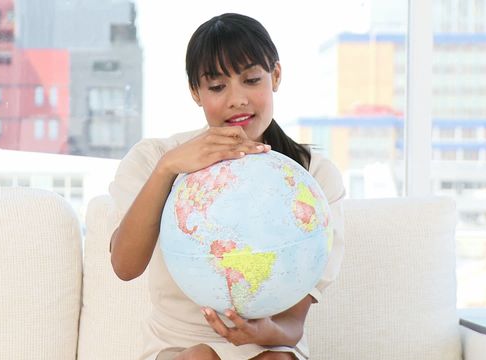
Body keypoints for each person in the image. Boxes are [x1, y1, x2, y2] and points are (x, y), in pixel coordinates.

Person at [109, 13, 345, 360]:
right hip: (178, 346)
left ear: (275, 76)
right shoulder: (154, 158)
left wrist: (265, 332)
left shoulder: (311, 176)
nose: (237, 99)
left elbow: (292, 327)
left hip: (269, 345)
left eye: (251, 79)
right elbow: (124, 267)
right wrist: (168, 168)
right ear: (196, 92)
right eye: (217, 87)